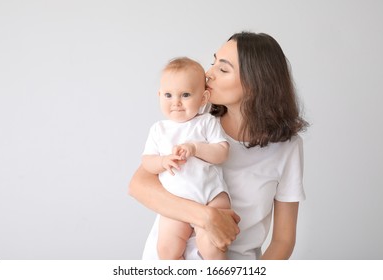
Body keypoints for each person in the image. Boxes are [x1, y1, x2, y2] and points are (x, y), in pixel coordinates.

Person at [129, 31, 309, 260]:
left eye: (223, 69)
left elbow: (283, 241)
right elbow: (138, 185)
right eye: (213, 63)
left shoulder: (287, 147)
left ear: (255, 84)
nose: (208, 73)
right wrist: (206, 217)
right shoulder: (192, 121)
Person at [141, 57, 231, 260]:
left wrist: (195, 148)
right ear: (159, 96)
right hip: (177, 203)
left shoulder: (206, 122)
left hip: (210, 197)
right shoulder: (159, 130)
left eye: (186, 95)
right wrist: (163, 162)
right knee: (166, 250)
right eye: (168, 95)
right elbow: (147, 162)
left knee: (212, 247)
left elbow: (222, 152)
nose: (176, 102)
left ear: (203, 98)